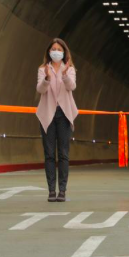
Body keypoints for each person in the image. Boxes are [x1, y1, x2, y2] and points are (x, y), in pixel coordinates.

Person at [36, 39, 77, 203]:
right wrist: (46, 78)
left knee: (63, 154)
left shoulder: (70, 69)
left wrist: (66, 76)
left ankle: (63, 190)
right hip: (48, 113)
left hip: (64, 113)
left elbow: (71, 87)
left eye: (59, 49)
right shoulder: (42, 69)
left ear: (64, 52)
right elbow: (40, 89)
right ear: (48, 52)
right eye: (53, 49)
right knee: (49, 154)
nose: (56, 51)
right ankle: (51, 190)